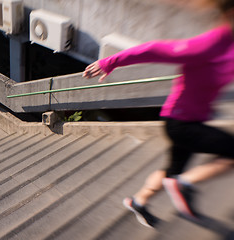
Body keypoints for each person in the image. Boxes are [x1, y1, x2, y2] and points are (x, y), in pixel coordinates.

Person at [83, 0, 234, 228]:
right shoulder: (208, 44)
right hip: (180, 123)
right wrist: (110, 61)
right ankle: (184, 184)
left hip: (192, 121)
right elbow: (153, 50)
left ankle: (138, 201)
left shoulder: (228, 47)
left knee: (172, 171)